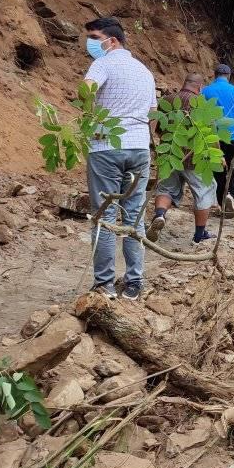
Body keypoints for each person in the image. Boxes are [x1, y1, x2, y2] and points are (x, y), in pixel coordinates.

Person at [82, 17, 157, 301]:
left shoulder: (103, 63)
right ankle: (135, 282)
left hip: (106, 146)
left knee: (105, 216)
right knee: (135, 216)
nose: (90, 43)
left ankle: (105, 284)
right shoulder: (145, 72)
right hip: (139, 149)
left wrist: (88, 114)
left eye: (93, 37)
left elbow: (87, 90)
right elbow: (152, 114)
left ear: (112, 41)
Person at [147, 74, 218, 244]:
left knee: (166, 189)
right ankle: (199, 234)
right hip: (194, 158)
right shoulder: (201, 105)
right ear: (200, 88)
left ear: (184, 84)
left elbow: (155, 125)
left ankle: (160, 215)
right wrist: (216, 155)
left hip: (169, 155)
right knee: (204, 191)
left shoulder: (168, 100)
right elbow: (210, 134)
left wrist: (164, 141)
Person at [202, 63, 234, 218]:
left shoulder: (205, 91)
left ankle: (221, 202)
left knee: (218, 171)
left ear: (214, 75)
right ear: (229, 76)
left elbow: (202, 117)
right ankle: (231, 195)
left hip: (213, 138)